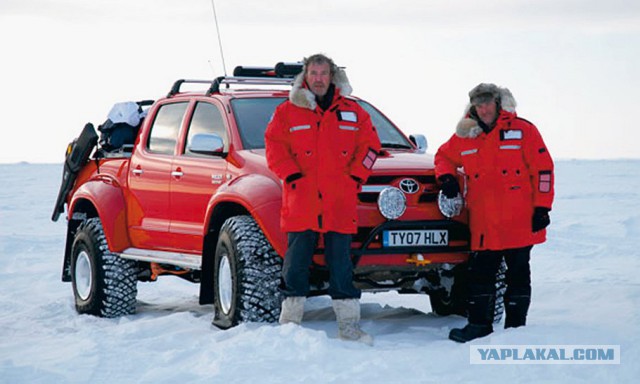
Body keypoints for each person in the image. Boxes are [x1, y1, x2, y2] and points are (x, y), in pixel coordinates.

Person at [265, 54, 381, 345]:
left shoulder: (354, 112)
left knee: (341, 264)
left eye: (324, 73)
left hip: (339, 201)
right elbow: (274, 147)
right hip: (302, 200)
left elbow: (371, 147)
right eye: (314, 72)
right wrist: (291, 175)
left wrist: (355, 178)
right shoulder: (287, 112)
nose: (318, 78)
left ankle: (349, 327)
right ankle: (290, 326)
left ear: (332, 77)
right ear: (306, 76)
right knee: (295, 264)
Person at [435, 83, 555, 343]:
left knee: (518, 274)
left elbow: (543, 169)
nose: (484, 108)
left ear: (498, 103)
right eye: (479, 104)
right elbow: (443, 156)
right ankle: (479, 325)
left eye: (488, 102)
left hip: (519, 220)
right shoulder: (465, 136)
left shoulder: (523, 130)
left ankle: (515, 329)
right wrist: (446, 178)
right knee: (481, 276)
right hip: (485, 222)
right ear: (473, 107)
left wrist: (543, 206)